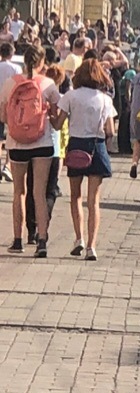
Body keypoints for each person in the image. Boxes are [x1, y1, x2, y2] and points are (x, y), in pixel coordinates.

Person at [0, 46, 60, 257]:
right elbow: (55, 118)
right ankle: (41, 240)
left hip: (16, 143)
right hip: (42, 143)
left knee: (19, 192)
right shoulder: (48, 84)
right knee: (40, 193)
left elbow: (3, 116)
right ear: (42, 62)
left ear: (25, 61)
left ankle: (18, 240)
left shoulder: (10, 83)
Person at [54, 59, 116, 261]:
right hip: (96, 146)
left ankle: (78, 238)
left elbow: (58, 124)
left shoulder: (71, 96)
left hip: (76, 145)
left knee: (75, 196)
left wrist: (49, 115)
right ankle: (91, 246)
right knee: (94, 201)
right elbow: (110, 131)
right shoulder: (105, 99)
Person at [25, 64, 66, 245]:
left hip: (29, 143)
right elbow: (58, 126)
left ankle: (30, 229)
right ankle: (43, 224)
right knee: (49, 191)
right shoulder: (58, 97)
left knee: (31, 188)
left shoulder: (35, 92)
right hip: (52, 148)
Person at [0, 43, 22, 182]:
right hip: (11, 103)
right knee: (11, 137)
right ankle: (7, 165)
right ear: (11, 54)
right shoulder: (16, 68)